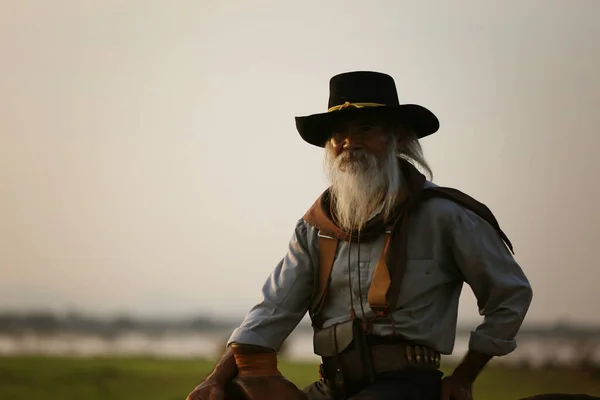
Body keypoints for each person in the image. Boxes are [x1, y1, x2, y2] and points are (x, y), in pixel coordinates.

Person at [187, 71, 533, 400]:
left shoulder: (444, 215)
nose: (349, 142)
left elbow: (510, 295)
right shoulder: (315, 227)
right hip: (332, 386)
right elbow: (272, 310)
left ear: (397, 137)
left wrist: (464, 376)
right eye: (339, 133)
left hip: (408, 387)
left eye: (366, 128)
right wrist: (215, 380)